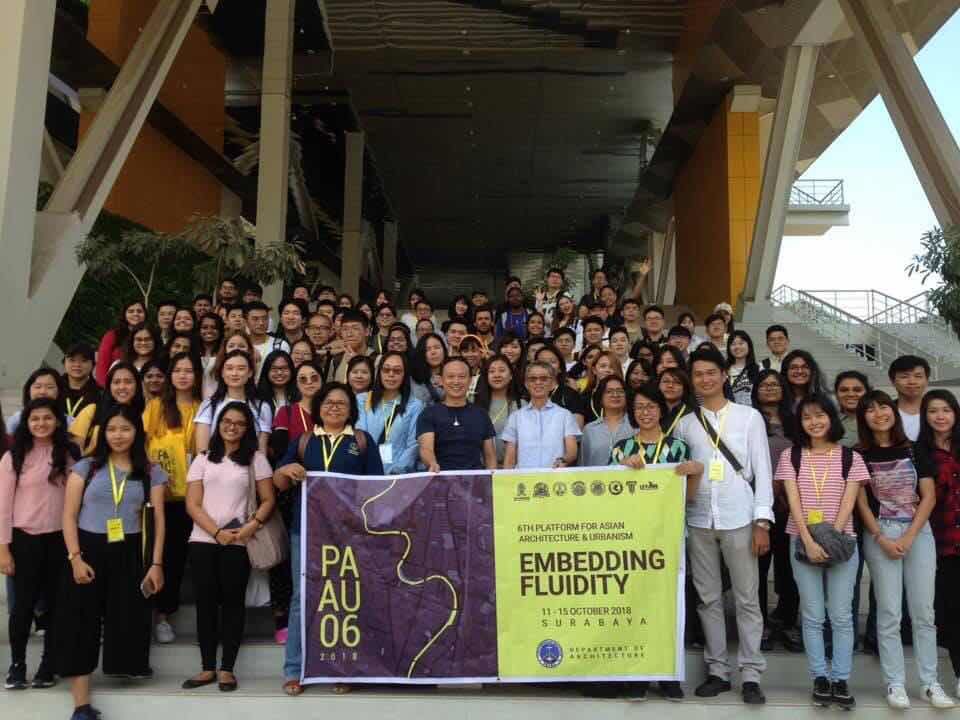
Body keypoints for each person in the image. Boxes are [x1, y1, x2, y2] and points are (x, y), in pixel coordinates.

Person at [673, 346, 773, 705]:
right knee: (708, 599)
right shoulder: (685, 424)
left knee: (747, 599)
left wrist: (762, 521)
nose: (705, 379)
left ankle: (751, 674)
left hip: (740, 517)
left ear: (723, 375)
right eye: (698, 374)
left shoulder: (749, 417)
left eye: (710, 373)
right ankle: (717, 671)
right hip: (699, 519)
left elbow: (763, 470)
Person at [56, 404, 167, 720]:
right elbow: (68, 516)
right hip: (88, 550)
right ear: (103, 433)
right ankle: (81, 706)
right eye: (112, 429)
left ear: (137, 433)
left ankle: (126, 666)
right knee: (81, 623)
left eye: (126, 429)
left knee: (128, 615)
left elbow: (158, 522)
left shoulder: (151, 472)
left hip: (129, 551)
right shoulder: (86, 467)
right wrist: (75, 558)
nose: (118, 435)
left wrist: (156, 564)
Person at [273, 383, 384, 696]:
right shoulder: (304, 440)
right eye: (328, 402)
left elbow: (375, 489)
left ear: (351, 410)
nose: (334, 407)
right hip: (306, 530)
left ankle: (344, 668)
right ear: (318, 407)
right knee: (301, 598)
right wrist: (288, 468)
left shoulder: (362, 441)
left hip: (349, 533)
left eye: (341, 403)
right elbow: (279, 482)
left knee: (346, 598)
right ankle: (295, 670)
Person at [855, 390, 954, 709]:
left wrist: (910, 535)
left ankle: (930, 683)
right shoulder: (858, 454)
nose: (879, 413)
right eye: (870, 410)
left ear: (893, 411)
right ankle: (894, 683)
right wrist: (880, 537)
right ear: (863, 418)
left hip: (918, 532)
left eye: (883, 406)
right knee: (889, 613)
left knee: (924, 613)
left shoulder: (914, 449)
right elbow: (860, 503)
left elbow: (928, 496)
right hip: (880, 533)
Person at [776, 395, 866, 709]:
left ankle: (840, 679)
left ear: (831, 418)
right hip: (802, 540)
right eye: (807, 417)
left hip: (842, 542)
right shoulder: (791, 456)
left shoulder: (851, 457)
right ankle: (819, 677)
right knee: (813, 615)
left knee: (841, 616)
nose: (814, 422)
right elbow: (793, 502)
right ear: (800, 423)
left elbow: (849, 502)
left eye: (820, 415)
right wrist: (810, 541)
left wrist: (828, 541)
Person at [181, 402, 275, 693]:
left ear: (247, 429)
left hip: (238, 540)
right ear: (218, 424)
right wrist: (216, 532)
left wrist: (250, 527)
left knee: (233, 603)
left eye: (239, 423)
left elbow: (268, 500)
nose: (232, 427)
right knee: (205, 604)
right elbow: (192, 504)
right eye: (226, 421)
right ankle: (207, 666)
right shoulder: (203, 458)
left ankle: (227, 669)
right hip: (203, 540)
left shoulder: (256, 459)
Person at [1, 399, 80, 690]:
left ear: (57, 421)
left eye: (47, 418)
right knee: (22, 606)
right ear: (26, 422)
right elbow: (2, 507)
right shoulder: (14, 456)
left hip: (60, 539)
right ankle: (17, 665)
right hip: (24, 540)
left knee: (56, 607)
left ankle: (48, 665)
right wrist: (3, 548)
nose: (41, 424)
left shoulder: (68, 454)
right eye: (35, 419)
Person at [142, 352, 202, 645]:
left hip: (192, 496)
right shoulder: (156, 406)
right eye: (177, 370)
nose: (183, 375)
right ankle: (151, 614)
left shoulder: (203, 408)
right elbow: (143, 444)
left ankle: (165, 614)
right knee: (157, 556)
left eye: (188, 370)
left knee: (176, 558)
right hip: (160, 494)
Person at [751, 369, 801, 653]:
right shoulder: (750, 420)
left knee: (789, 566)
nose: (770, 388)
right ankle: (761, 625)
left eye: (775, 384)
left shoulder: (795, 420)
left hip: (792, 503)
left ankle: (787, 620)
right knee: (758, 567)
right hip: (759, 502)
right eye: (764, 385)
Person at [918, 390, 960, 695]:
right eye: (933, 411)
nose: (940, 416)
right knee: (954, 612)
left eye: (946, 409)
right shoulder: (920, 452)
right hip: (942, 543)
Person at [417, 358, 497, 472]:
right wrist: (432, 463)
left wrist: (491, 478)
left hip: (475, 480)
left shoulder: (481, 414)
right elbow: (426, 449)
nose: (456, 381)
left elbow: (490, 457)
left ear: (470, 380)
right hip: (440, 478)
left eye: (462, 377)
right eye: (450, 376)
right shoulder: (428, 413)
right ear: (441, 380)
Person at [502, 362, 580, 469]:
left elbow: (572, 452)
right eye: (532, 379)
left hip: (554, 476)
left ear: (552, 384)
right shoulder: (515, 417)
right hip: (523, 478)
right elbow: (509, 459)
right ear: (526, 384)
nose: (538, 382)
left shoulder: (565, 415)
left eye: (544, 379)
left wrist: (563, 460)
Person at [357, 352, 424, 475]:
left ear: (405, 375)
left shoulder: (414, 405)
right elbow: (360, 436)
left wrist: (397, 472)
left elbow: (413, 445)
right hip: (366, 472)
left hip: (398, 476)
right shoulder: (363, 400)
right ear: (379, 372)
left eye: (397, 371)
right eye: (386, 370)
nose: (391, 374)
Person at [195, 350, 272, 455]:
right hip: (213, 463)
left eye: (241, 369)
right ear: (222, 373)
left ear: (250, 373)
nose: (234, 373)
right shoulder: (209, 405)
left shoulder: (262, 407)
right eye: (229, 368)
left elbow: (261, 451)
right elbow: (202, 451)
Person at [70, 363, 145, 456]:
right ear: (109, 386)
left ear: (137, 385)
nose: (122, 387)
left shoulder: (145, 413)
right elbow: (75, 451)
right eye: (116, 382)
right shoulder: (92, 410)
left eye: (128, 382)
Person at [474, 355, 523, 466]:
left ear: (511, 375)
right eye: (492, 371)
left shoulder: (521, 405)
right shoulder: (474, 403)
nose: (497, 375)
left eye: (502, 370)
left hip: (512, 469)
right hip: (481, 468)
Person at [579, 376, 633, 467]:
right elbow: (583, 464)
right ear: (600, 398)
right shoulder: (589, 430)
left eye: (620, 391)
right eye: (609, 391)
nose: (615, 395)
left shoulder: (636, 425)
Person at [95, 301, 146, 387]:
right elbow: (102, 364)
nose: (135, 314)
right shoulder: (113, 335)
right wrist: (105, 387)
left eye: (139, 311)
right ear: (124, 314)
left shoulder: (151, 335)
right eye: (131, 311)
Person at [535, 346, 585, 427]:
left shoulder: (571, 395)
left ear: (560, 368)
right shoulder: (526, 394)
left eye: (552, 361)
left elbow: (576, 429)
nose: (547, 365)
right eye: (542, 362)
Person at [7, 368, 68, 435]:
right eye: (38, 387)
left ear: (59, 391)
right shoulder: (17, 419)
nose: (43, 392)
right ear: (28, 391)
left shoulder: (69, 421)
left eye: (50, 387)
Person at [327, 310, 375, 384]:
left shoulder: (376, 360)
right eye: (345, 329)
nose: (349, 334)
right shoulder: (336, 360)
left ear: (367, 331)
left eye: (355, 328)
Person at [889, 355, 930, 441]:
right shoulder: (884, 413)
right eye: (904, 377)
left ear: (927, 380)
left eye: (918, 376)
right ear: (893, 381)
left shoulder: (941, 413)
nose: (912, 382)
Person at [245, 302, 288, 382]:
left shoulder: (280, 345)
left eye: (265, 318)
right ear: (246, 322)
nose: (261, 323)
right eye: (255, 319)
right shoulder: (241, 345)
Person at [581, 351, 622, 424]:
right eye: (603, 366)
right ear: (594, 370)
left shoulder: (626, 396)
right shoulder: (584, 397)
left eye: (612, 367)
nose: (607, 370)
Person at [62, 344, 100, 421]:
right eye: (72, 360)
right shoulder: (54, 386)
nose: (77, 365)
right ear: (64, 362)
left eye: (84, 361)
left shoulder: (99, 395)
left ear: (93, 365)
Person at [256, 350, 296, 421]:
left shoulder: (300, 397)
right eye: (274, 369)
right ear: (266, 371)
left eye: (284, 368)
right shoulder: (257, 399)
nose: (279, 372)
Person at [410, 333, 448, 406]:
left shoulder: (454, 374)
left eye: (437, 347)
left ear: (444, 349)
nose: (433, 352)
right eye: (428, 349)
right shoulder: (414, 379)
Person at [835, 371, 870, 448]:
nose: (851, 394)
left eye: (857, 390)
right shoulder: (827, 421)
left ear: (867, 393)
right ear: (836, 394)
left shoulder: (878, 419)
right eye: (844, 390)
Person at [726, 330, 760, 406]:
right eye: (733, 344)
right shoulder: (723, 370)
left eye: (741, 343)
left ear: (749, 346)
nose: (737, 347)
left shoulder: (759, 369)